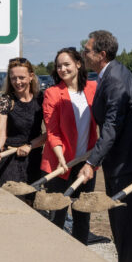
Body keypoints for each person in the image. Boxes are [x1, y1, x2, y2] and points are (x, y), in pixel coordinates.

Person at [79, 30, 132, 262]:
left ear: (101, 54)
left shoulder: (115, 79)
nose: (83, 53)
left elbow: (111, 126)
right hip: (122, 160)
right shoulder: (114, 73)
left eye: (86, 50)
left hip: (125, 165)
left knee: (125, 233)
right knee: (123, 231)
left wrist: (92, 163)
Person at [40, 48, 98, 244]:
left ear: (78, 64)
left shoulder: (93, 88)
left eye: (66, 64)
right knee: (57, 216)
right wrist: (61, 158)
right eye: (59, 66)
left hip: (86, 163)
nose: (62, 69)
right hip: (60, 164)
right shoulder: (52, 93)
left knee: (83, 216)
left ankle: (80, 257)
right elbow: (52, 131)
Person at [0, 57, 45, 186]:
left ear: (31, 76)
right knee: (13, 199)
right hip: (10, 158)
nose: (17, 82)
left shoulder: (41, 99)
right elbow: (0, 132)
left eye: (21, 77)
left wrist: (30, 146)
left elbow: (50, 133)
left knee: (32, 201)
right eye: (13, 78)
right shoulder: (6, 101)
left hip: (33, 157)